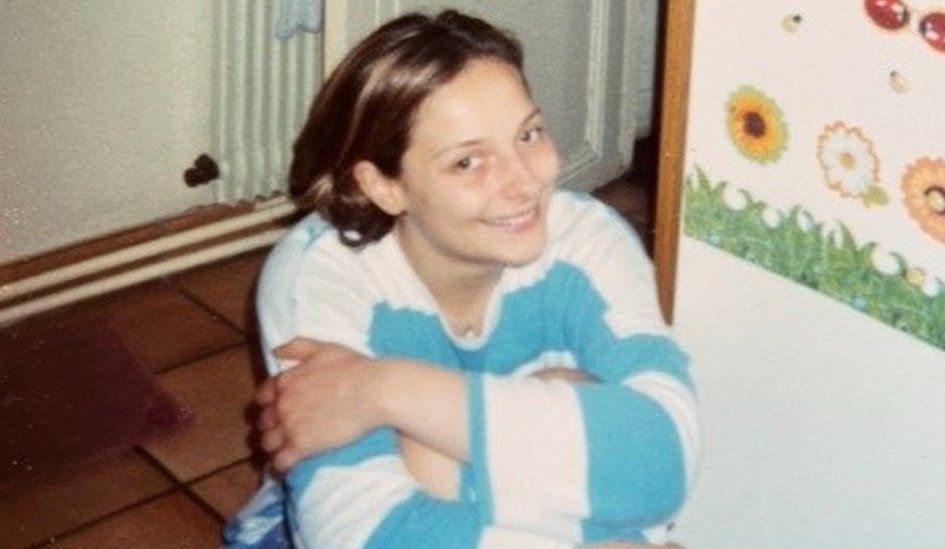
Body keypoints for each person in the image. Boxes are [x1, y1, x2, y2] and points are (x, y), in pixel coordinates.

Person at [223, 9, 700, 549]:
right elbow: (364, 534)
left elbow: (664, 463)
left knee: (465, 438)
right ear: (383, 187)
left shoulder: (585, 240)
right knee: (578, 414)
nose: (524, 183)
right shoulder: (319, 274)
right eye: (468, 162)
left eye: (529, 133)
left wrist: (381, 388)